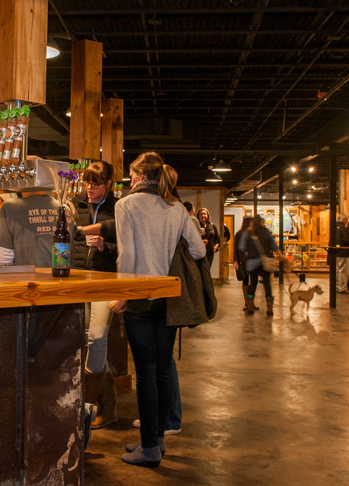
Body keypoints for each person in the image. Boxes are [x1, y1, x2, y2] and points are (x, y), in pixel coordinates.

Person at [110, 152, 204, 468]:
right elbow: (198, 249)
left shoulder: (126, 205)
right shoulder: (176, 208)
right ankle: (158, 439)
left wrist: (122, 294)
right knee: (163, 368)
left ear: (138, 176)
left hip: (139, 295)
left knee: (145, 372)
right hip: (170, 296)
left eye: (131, 174)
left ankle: (148, 447)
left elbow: (127, 255)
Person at [71, 161, 120, 430]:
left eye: (96, 183)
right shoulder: (75, 206)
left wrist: (105, 246)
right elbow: (67, 240)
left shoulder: (118, 209)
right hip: (79, 279)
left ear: (108, 184)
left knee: (97, 337)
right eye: (87, 182)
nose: (90, 188)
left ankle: (87, 404)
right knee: (86, 341)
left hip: (105, 280)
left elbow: (126, 247)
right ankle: (109, 405)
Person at [0, 190, 60, 267]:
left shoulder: (11, 206)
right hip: (65, 277)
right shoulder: (64, 208)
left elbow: (4, 259)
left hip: (30, 277)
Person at [237, 216, 284, 315]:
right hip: (265, 260)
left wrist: (249, 253)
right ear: (262, 222)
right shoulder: (266, 231)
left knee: (253, 282)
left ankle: (250, 305)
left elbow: (241, 246)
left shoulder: (248, 232)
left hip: (252, 261)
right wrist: (280, 254)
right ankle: (269, 307)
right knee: (267, 283)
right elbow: (273, 244)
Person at [233, 217, 253, 310]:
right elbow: (236, 249)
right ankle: (246, 302)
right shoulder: (239, 234)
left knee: (253, 281)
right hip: (243, 260)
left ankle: (251, 302)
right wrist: (236, 261)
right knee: (245, 280)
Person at [334, 213, 349, 294]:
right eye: (347, 220)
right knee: (343, 271)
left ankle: (337, 287)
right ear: (344, 220)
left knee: (337, 270)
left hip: (335, 252)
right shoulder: (344, 229)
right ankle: (342, 288)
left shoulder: (333, 227)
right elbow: (346, 240)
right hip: (344, 252)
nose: (347, 222)